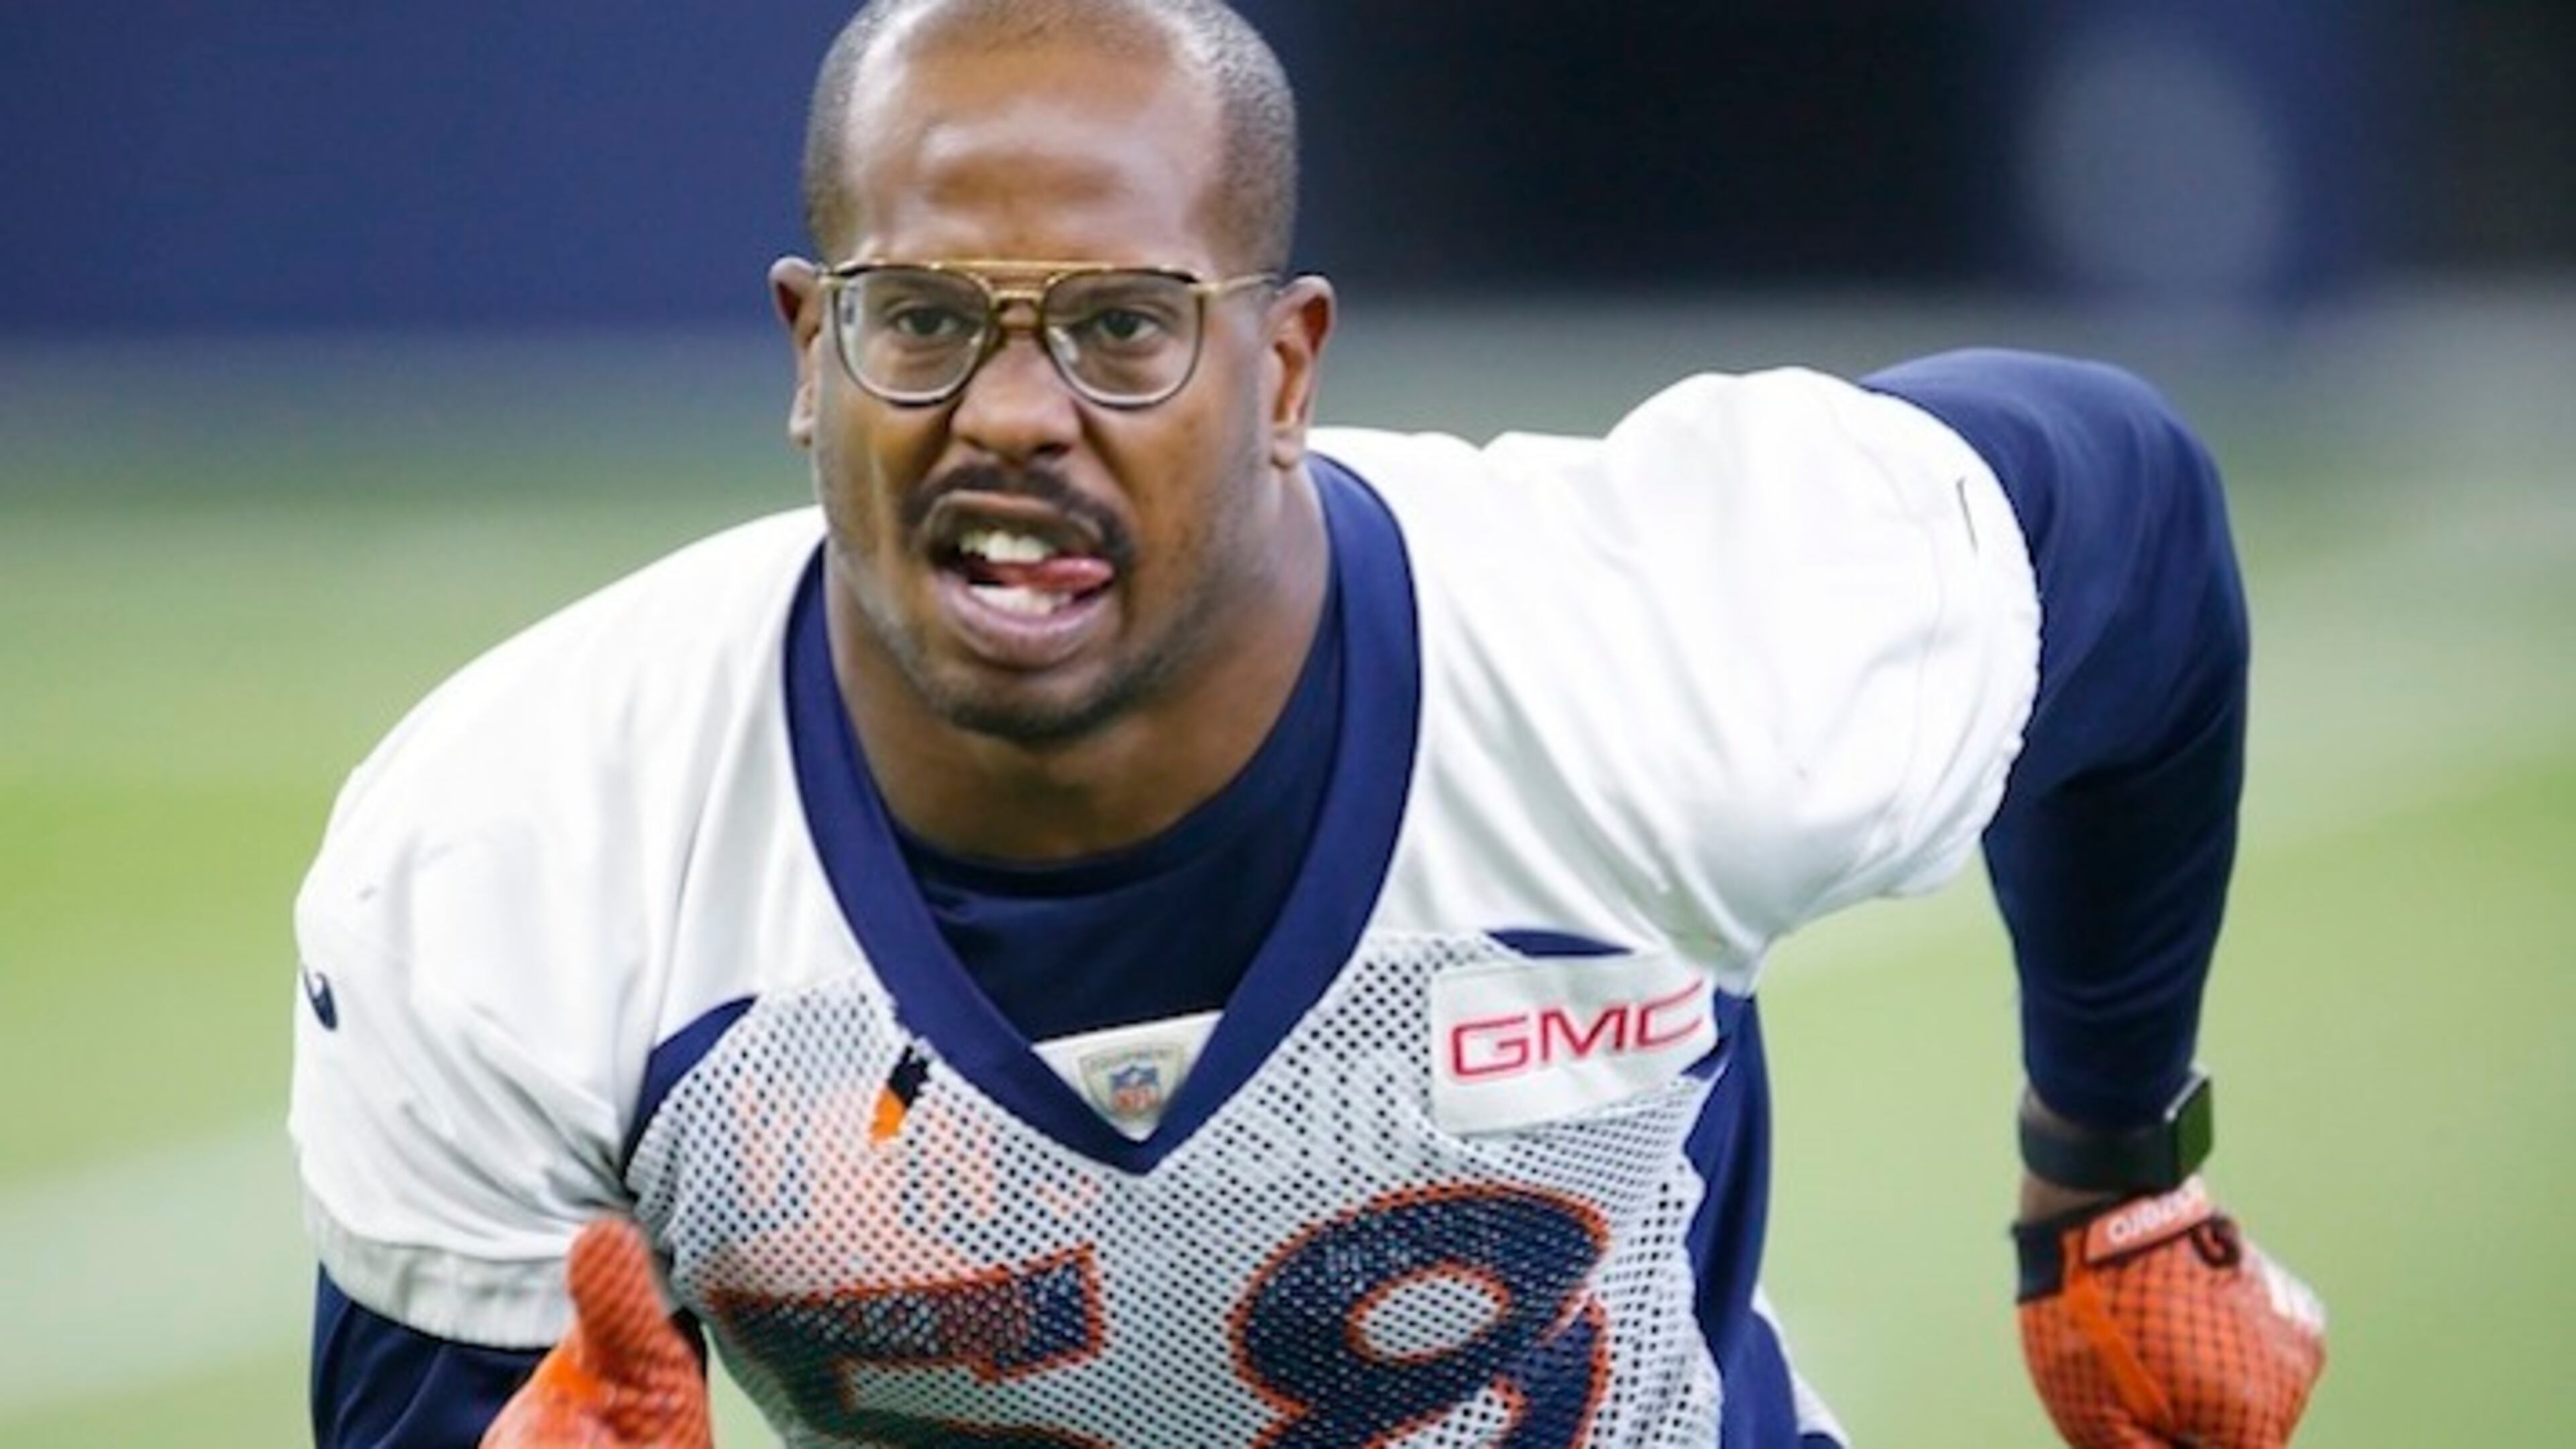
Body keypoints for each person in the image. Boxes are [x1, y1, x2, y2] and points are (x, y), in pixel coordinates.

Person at [288, 1, 2328, 1445]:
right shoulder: (520, 855)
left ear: (1282, 369)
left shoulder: (1644, 653)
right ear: (813, 355)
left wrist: (2113, 1166)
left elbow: (2126, 512)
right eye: (924, 320)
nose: (1013, 412)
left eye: (1120, 327)